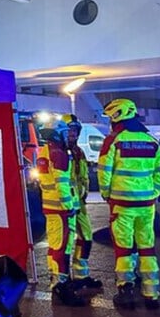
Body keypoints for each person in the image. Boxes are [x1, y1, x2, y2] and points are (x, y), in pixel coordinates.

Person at [98, 99, 160, 310]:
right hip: (146, 205)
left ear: (117, 117)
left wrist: (107, 194)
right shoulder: (151, 141)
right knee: (147, 248)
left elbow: (103, 172)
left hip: (122, 205)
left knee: (124, 248)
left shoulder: (113, 140)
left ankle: (126, 290)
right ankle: (151, 293)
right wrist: (152, 193)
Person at [37, 118, 85, 306]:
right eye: (65, 132)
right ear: (57, 133)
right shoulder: (58, 153)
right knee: (62, 247)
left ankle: (56, 278)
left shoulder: (46, 150)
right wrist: (69, 207)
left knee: (55, 245)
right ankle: (61, 284)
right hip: (60, 209)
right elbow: (62, 183)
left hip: (50, 206)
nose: (68, 135)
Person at [62, 114, 102, 293]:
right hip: (66, 206)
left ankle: (81, 275)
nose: (72, 133)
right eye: (69, 130)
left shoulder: (78, 151)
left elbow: (83, 177)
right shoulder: (58, 151)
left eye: (75, 130)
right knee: (65, 244)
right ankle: (62, 281)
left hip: (80, 203)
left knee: (86, 238)